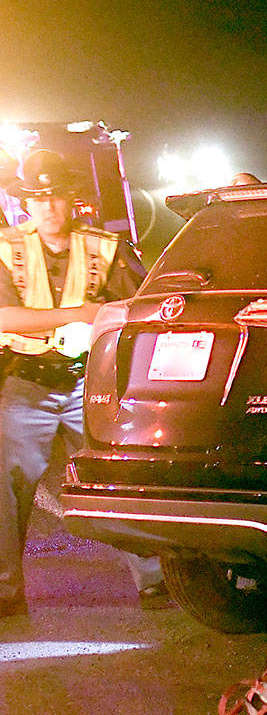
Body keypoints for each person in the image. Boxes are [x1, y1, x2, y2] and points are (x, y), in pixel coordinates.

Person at [0, 149, 167, 617]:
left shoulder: (106, 248)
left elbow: (138, 307)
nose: (49, 206)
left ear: (72, 198)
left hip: (88, 384)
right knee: (6, 487)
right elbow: (3, 315)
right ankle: (4, 590)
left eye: (56, 195)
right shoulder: (5, 248)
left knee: (119, 479)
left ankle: (155, 578)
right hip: (25, 385)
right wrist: (79, 314)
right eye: (38, 198)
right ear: (24, 205)